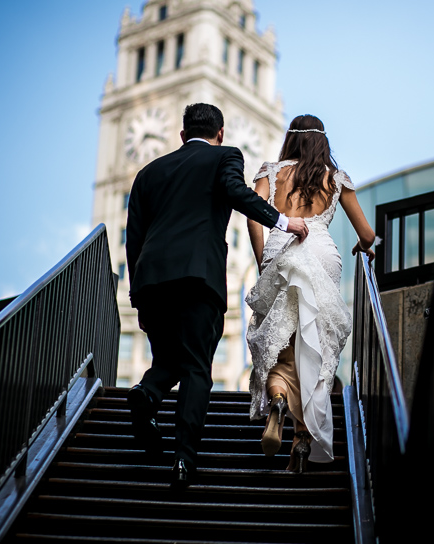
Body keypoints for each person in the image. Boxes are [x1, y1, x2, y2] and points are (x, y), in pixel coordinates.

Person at [125, 103, 308, 488]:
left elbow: (134, 238)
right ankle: (182, 460)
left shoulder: (148, 173)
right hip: (198, 278)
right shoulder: (226, 156)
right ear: (220, 133)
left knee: (171, 360)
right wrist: (283, 221)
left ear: (181, 134)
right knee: (195, 367)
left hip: (152, 281)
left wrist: (137, 295)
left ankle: (147, 391)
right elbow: (236, 192)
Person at [245, 114, 375, 473]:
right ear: (322, 141)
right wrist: (367, 248)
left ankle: (279, 399)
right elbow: (366, 234)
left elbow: (252, 216)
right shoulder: (336, 179)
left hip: (281, 249)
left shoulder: (271, 173)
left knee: (281, 346)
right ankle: (302, 439)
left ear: (291, 139)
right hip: (321, 254)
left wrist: (262, 260)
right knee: (313, 347)